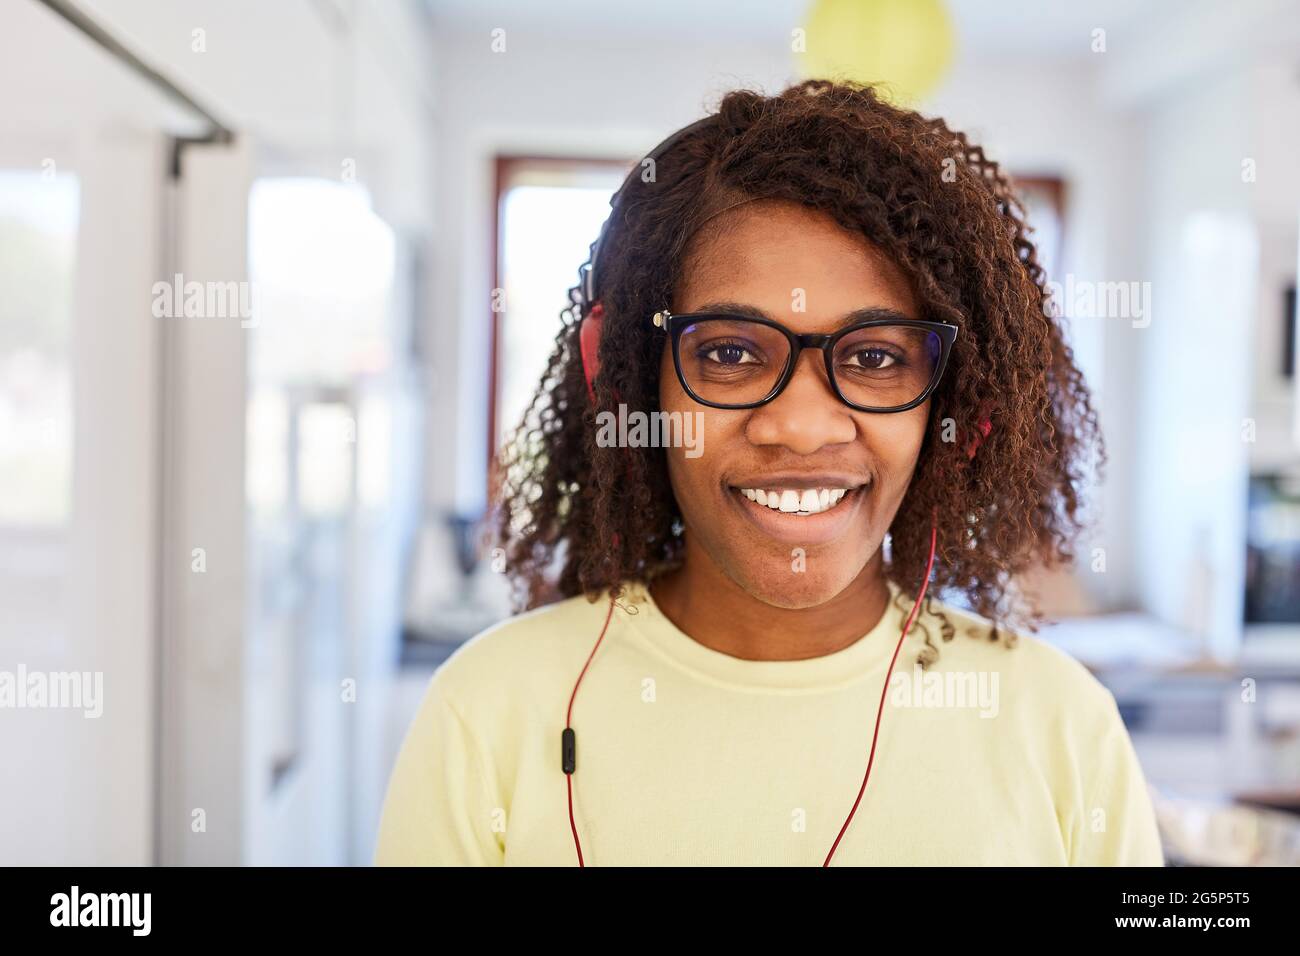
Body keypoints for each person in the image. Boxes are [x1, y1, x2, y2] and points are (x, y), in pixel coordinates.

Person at [375, 79, 1163, 866]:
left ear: (957, 400)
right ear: (621, 371)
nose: (800, 427)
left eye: (877, 357)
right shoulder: (487, 713)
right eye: (728, 353)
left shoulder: (1061, 727)